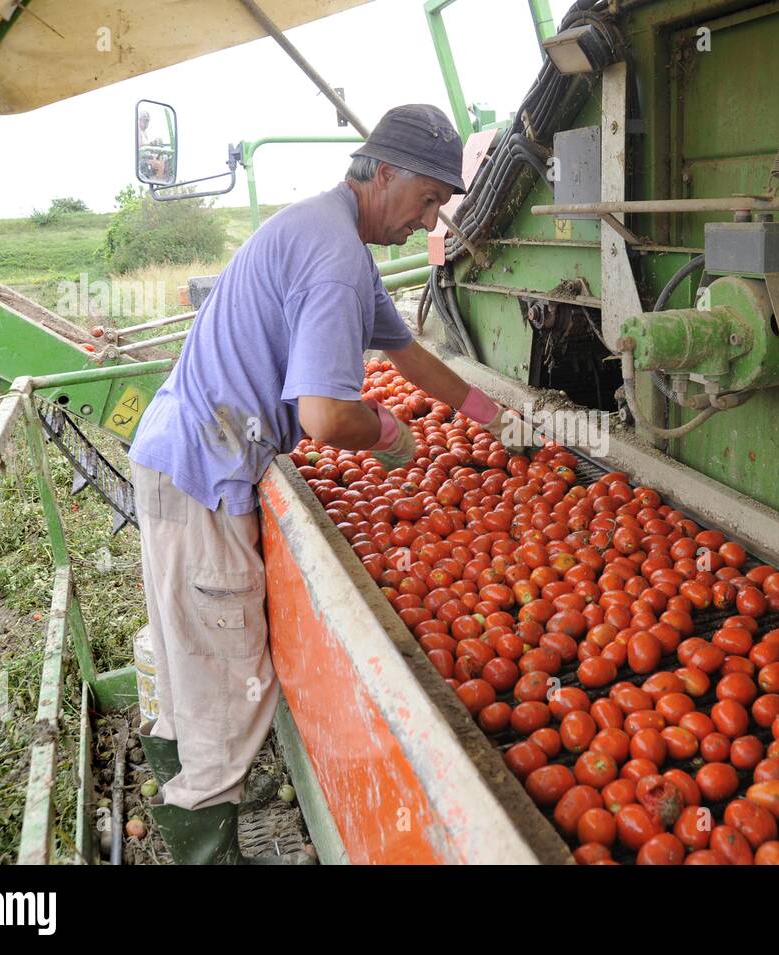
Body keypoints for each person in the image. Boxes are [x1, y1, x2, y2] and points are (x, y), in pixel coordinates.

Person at [127, 104, 518, 864]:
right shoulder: (339, 258)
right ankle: (206, 846)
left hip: (180, 456)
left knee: (189, 656)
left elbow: (410, 357)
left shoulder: (324, 230)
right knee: (225, 676)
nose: (429, 218)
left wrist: (495, 417)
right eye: (429, 199)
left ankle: (191, 798)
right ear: (383, 172)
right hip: (207, 475)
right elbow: (327, 416)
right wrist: (391, 435)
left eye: (442, 203)